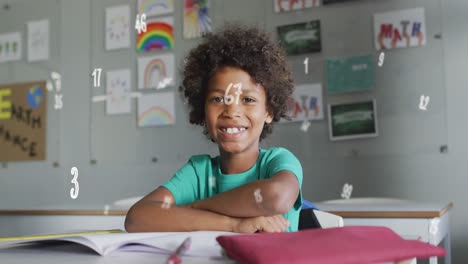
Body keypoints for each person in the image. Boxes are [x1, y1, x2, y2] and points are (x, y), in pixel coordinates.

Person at [125, 24, 303, 233]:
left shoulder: (277, 161)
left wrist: (196, 207)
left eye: (248, 99)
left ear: (269, 112)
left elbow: (276, 197)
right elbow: (137, 218)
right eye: (218, 98)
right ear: (202, 108)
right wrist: (234, 225)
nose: (232, 111)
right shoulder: (199, 172)